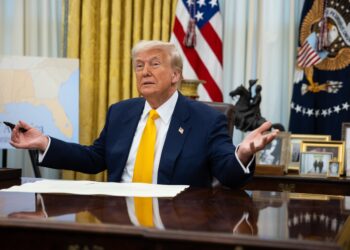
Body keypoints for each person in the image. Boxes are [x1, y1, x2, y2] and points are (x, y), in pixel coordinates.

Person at [9, 40, 278, 188]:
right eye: (139, 66)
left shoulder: (206, 119)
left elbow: (228, 173)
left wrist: (242, 154)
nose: (144, 71)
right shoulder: (121, 112)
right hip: (118, 220)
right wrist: (45, 143)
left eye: (154, 64)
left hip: (177, 225)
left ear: (175, 75)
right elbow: (95, 159)